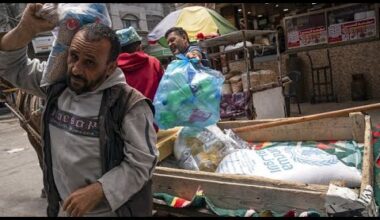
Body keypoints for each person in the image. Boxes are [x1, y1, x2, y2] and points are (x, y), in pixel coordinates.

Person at [0, 3, 158, 217]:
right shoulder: (55, 86)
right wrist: (25, 29)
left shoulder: (129, 105)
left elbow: (143, 163)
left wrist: (100, 189)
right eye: (73, 56)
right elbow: (10, 67)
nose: (76, 69)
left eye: (90, 63)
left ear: (111, 67)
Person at [116, 26, 164, 102]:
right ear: (139, 46)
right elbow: (164, 88)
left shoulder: (112, 68)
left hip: (128, 113)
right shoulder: (153, 62)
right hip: (153, 110)